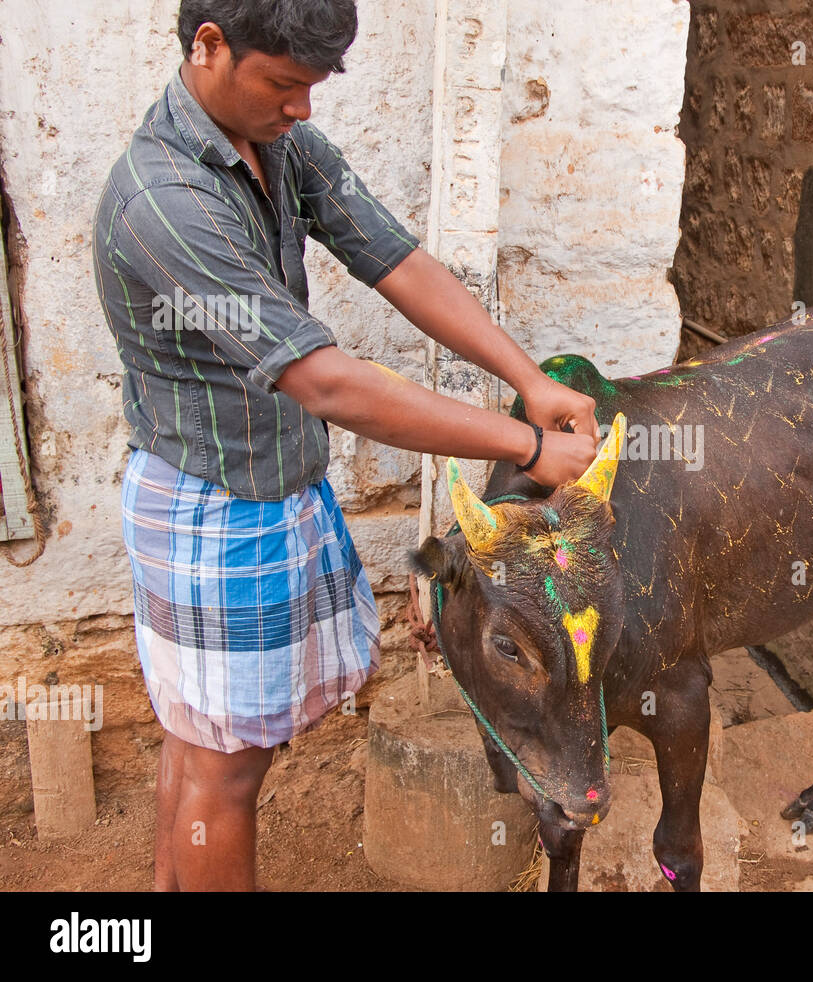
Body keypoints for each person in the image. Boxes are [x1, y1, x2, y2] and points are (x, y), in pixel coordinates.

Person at [93, 0, 600, 890]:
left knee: (205, 739)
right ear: (209, 46)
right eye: (286, 84)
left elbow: (397, 261)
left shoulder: (277, 145)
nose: (304, 108)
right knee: (227, 765)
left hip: (264, 483)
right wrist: (524, 442)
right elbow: (326, 382)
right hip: (217, 505)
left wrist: (532, 377)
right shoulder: (165, 202)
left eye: (314, 86)